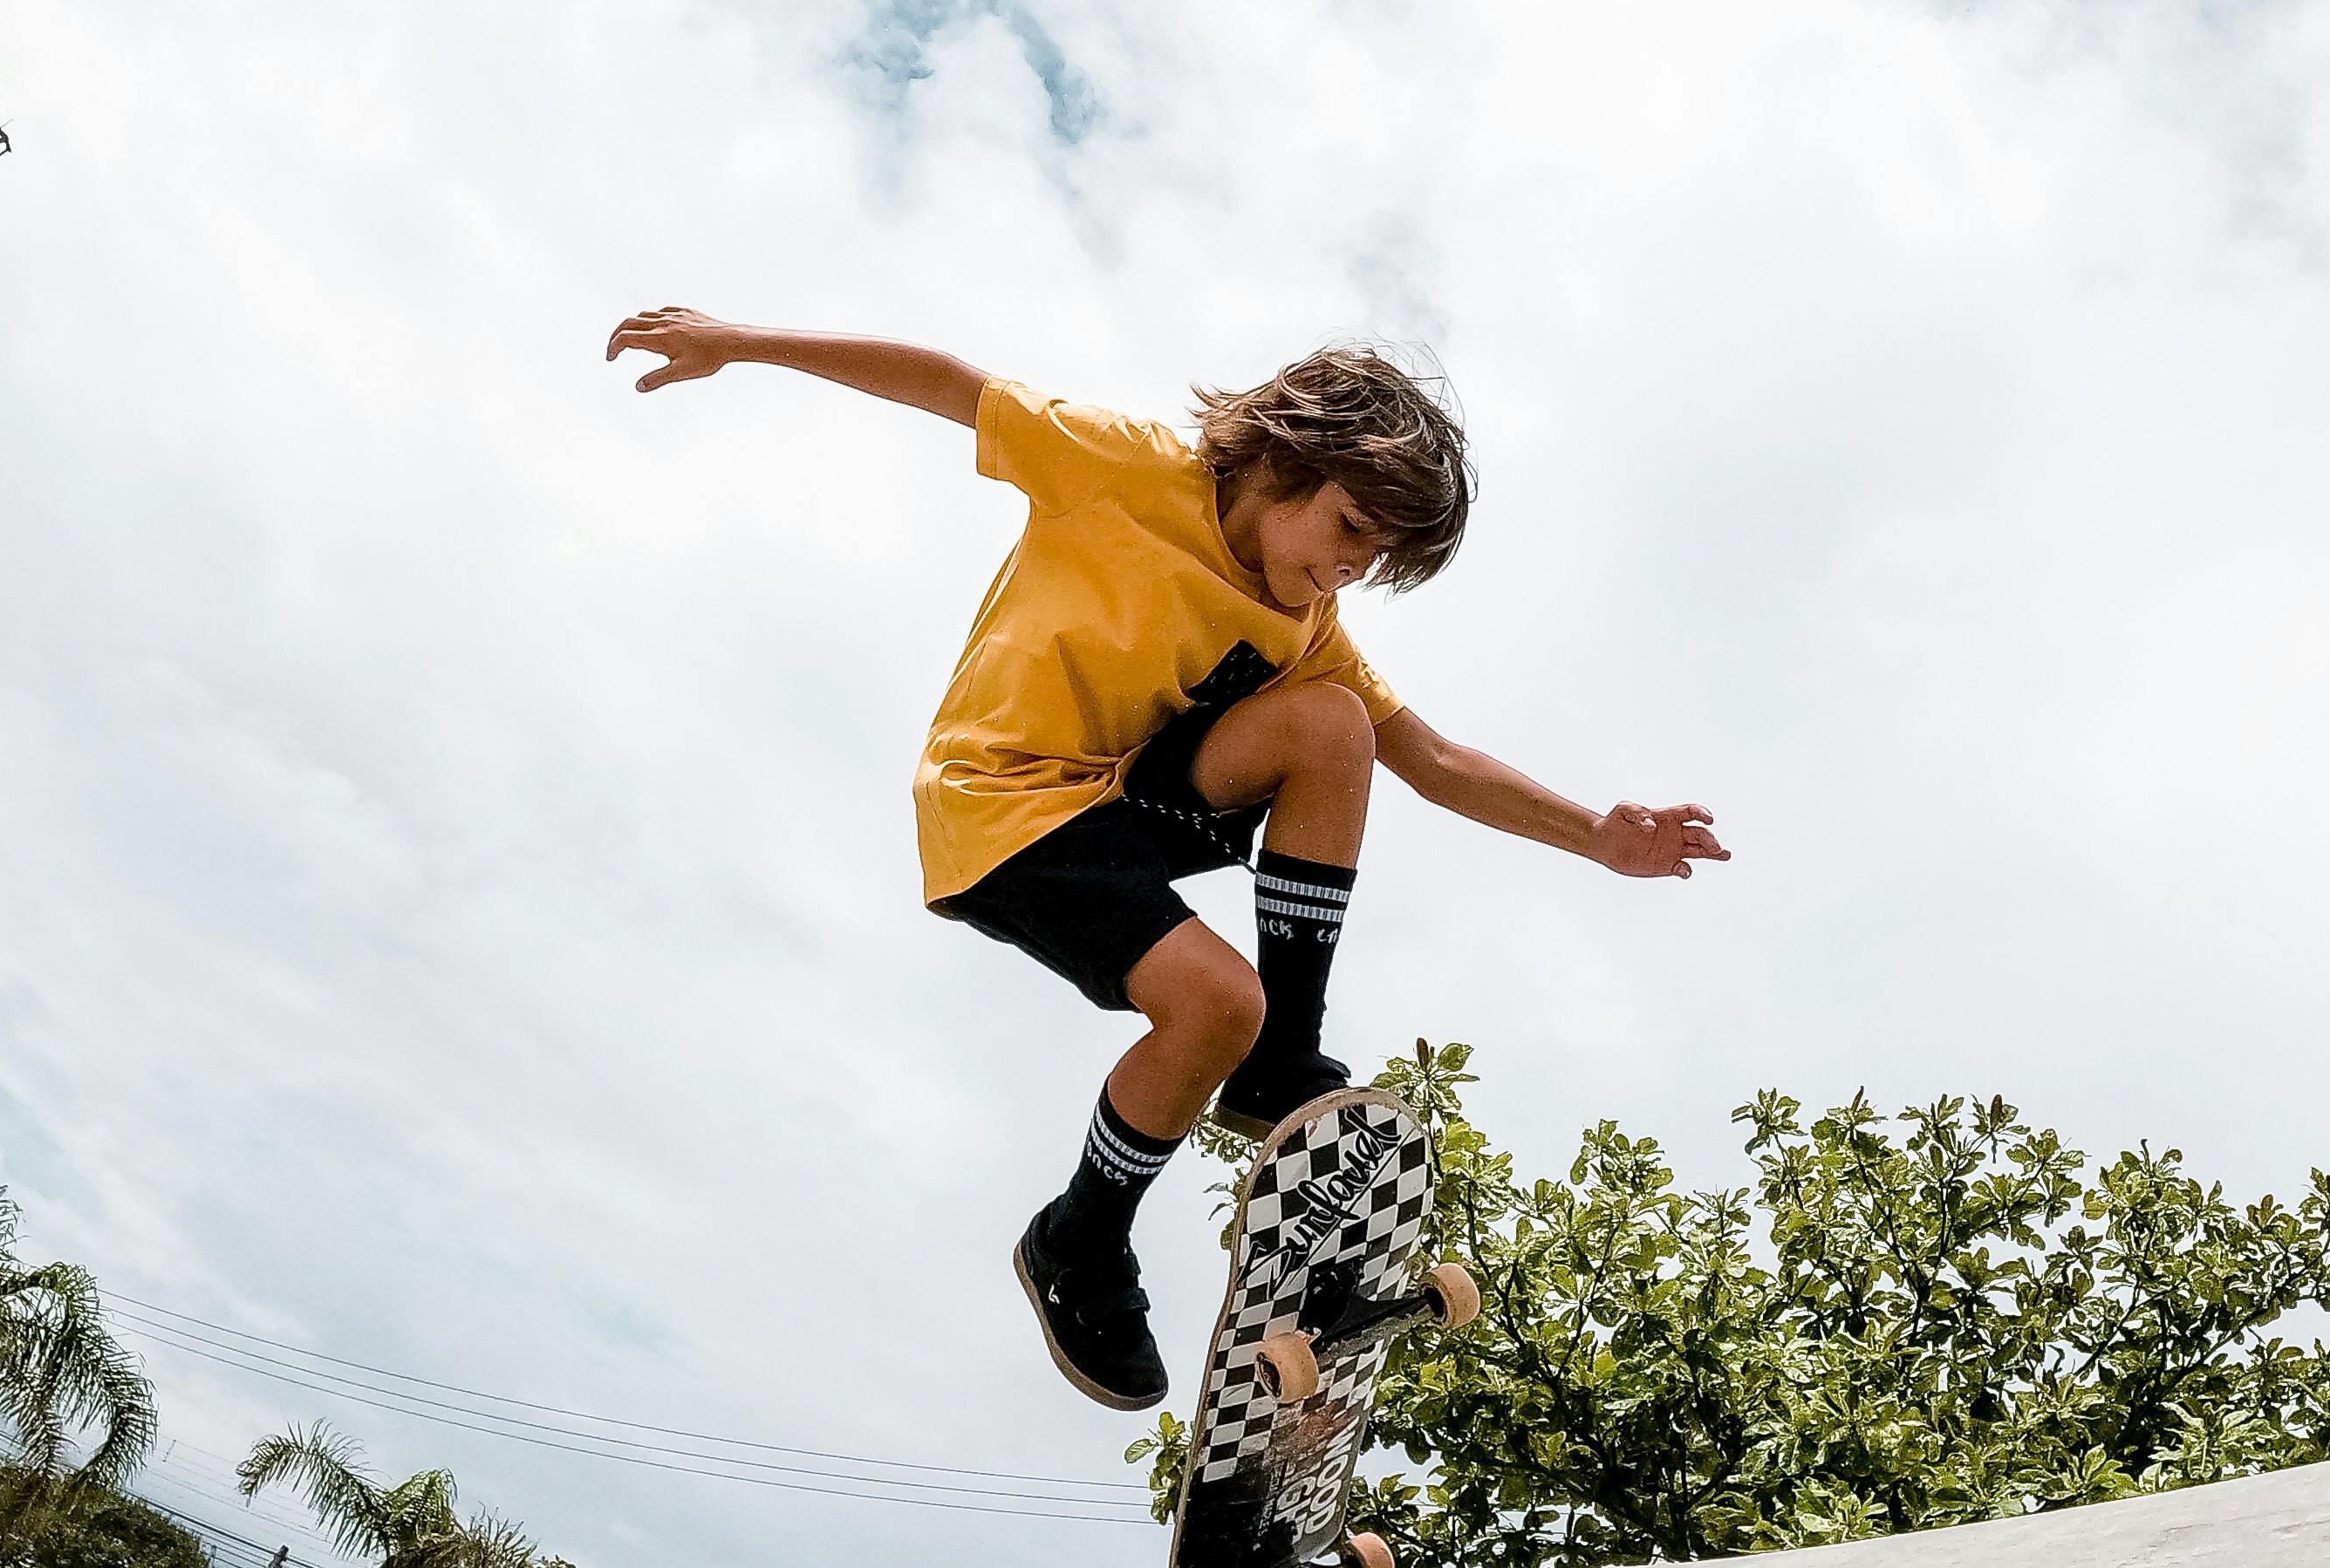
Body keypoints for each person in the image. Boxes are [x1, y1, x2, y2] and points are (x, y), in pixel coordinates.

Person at [604, 315, 1728, 1409]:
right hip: (998, 810)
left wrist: (1596, 834)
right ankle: (1081, 1236)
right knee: (1211, 1001)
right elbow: (948, 384)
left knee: (1333, 724)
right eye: (1345, 530)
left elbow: (1428, 758)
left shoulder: (1308, 622)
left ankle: (1280, 1061)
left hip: (1120, 799)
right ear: (1289, 460)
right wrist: (741, 345)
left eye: (1372, 559)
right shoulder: (1118, 465)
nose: (1344, 572)